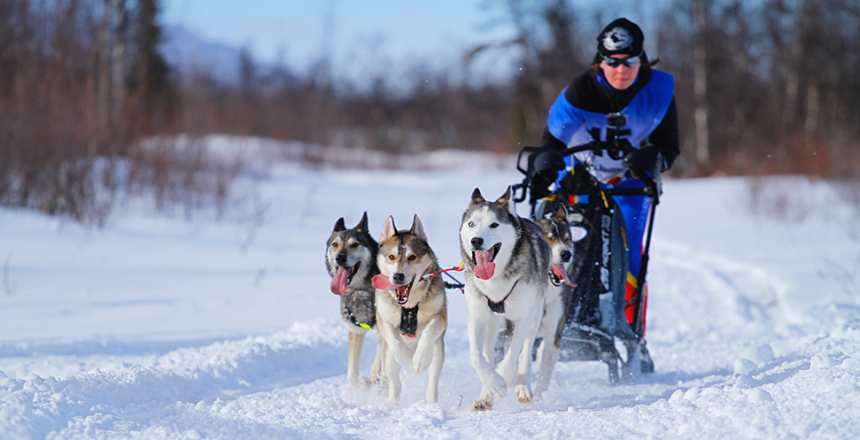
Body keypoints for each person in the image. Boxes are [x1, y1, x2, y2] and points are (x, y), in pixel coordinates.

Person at [531, 18, 679, 372]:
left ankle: (631, 336)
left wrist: (653, 157)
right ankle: (555, 317)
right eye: (612, 61)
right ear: (600, 61)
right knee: (563, 245)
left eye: (629, 61)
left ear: (642, 60)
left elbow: (669, 148)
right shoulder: (580, 91)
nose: (621, 69)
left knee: (630, 260)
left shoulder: (659, 90)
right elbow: (552, 142)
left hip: (631, 183)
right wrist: (546, 165)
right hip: (580, 180)